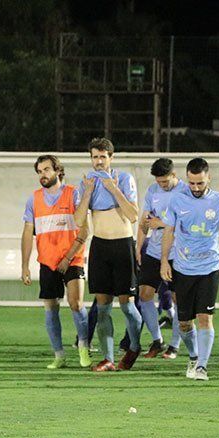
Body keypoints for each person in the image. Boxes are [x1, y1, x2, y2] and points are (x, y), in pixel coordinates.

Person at [160, 158, 219, 381]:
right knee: (184, 323)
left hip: (209, 267)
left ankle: (202, 366)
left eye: (200, 183)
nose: (195, 188)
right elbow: (169, 231)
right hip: (183, 268)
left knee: (205, 318)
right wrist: (165, 260)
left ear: (208, 178)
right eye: (192, 183)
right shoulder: (177, 200)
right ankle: (194, 356)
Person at [74, 137, 144, 372]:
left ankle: (134, 346)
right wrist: (87, 194)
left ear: (111, 158)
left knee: (127, 306)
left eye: (103, 157)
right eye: (95, 157)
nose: (98, 161)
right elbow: (77, 219)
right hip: (100, 247)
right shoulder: (86, 182)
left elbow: (133, 215)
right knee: (102, 306)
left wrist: (113, 189)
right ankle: (108, 358)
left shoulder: (123, 179)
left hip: (122, 246)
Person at [22, 154, 91, 369]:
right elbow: (26, 233)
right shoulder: (33, 199)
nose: (42, 175)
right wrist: (24, 265)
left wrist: (68, 257)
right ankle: (59, 355)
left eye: (46, 170)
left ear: (57, 171)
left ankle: (83, 347)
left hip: (73, 259)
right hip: (48, 262)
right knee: (50, 308)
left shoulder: (73, 194)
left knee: (76, 303)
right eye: (40, 171)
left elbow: (85, 230)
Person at [136, 157, 189, 361]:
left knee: (177, 298)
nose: (162, 185)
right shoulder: (152, 191)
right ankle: (157, 341)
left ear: (174, 175)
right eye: (159, 181)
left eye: (165, 181)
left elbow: (184, 222)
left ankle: (174, 345)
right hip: (155, 251)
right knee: (145, 294)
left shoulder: (185, 191)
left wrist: (161, 223)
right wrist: (139, 246)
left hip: (178, 253)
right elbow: (145, 220)